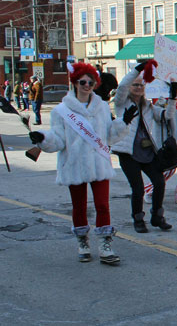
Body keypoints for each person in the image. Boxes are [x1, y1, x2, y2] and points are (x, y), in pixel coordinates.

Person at [27, 62, 137, 264]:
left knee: (103, 206)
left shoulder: (102, 107)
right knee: (79, 207)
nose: (87, 85)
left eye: (91, 81)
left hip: (99, 163)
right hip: (74, 164)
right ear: (75, 83)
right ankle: (83, 242)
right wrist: (42, 138)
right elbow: (58, 140)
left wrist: (123, 123)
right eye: (83, 81)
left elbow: (108, 137)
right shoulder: (60, 111)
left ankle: (105, 245)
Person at [112, 59, 173, 233]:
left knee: (159, 182)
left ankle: (157, 216)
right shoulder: (122, 103)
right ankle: (138, 219)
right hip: (128, 152)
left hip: (146, 151)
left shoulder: (148, 106)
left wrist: (174, 97)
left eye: (141, 86)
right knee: (137, 188)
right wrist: (137, 69)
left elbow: (166, 116)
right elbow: (122, 86)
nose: (138, 88)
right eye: (135, 85)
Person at [144, 83, 177, 205]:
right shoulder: (159, 94)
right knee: (169, 169)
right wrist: (161, 103)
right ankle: (148, 189)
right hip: (169, 140)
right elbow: (159, 118)